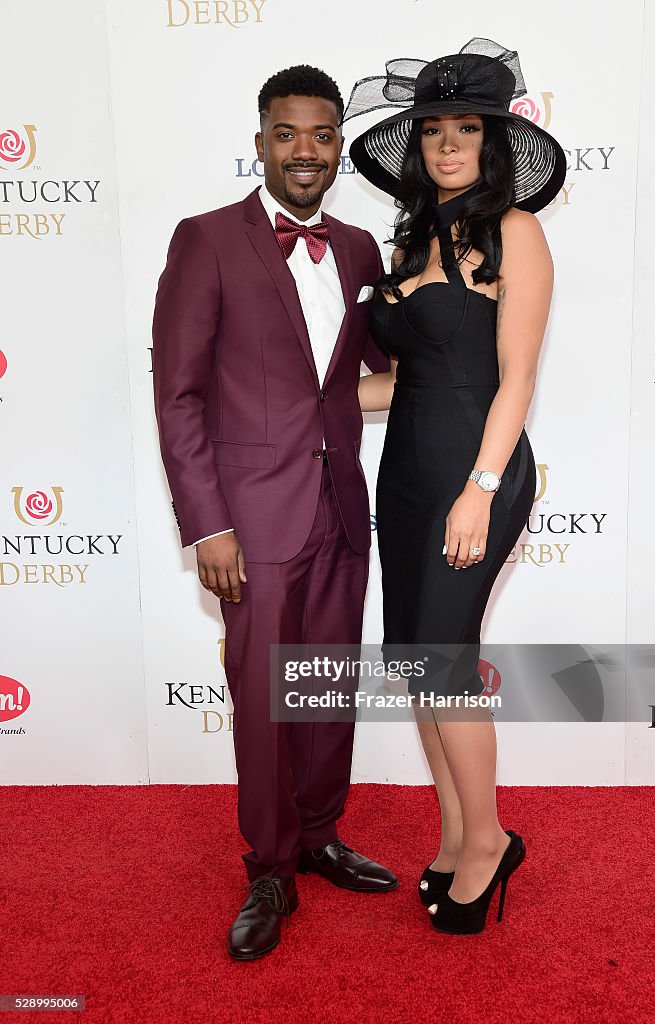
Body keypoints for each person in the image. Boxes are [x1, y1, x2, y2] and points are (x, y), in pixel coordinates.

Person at [152, 64, 397, 963]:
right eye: (287, 133)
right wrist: (206, 524)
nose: (306, 150)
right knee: (261, 696)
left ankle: (321, 833)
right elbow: (178, 395)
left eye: (322, 134)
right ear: (260, 141)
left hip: (342, 504)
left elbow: (366, 376)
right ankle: (269, 865)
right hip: (250, 519)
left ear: (339, 144)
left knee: (327, 683)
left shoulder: (363, 249)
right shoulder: (207, 241)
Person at [345, 38, 566, 935]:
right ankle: (455, 831)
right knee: (418, 666)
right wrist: (291, 399)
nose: (446, 146)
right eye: (432, 130)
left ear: (494, 140)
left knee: (445, 670)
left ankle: (491, 843)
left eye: (465, 128)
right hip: (406, 469)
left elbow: (514, 379)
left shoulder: (517, 233)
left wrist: (478, 488)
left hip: (477, 470)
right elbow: (408, 379)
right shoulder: (413, 238)